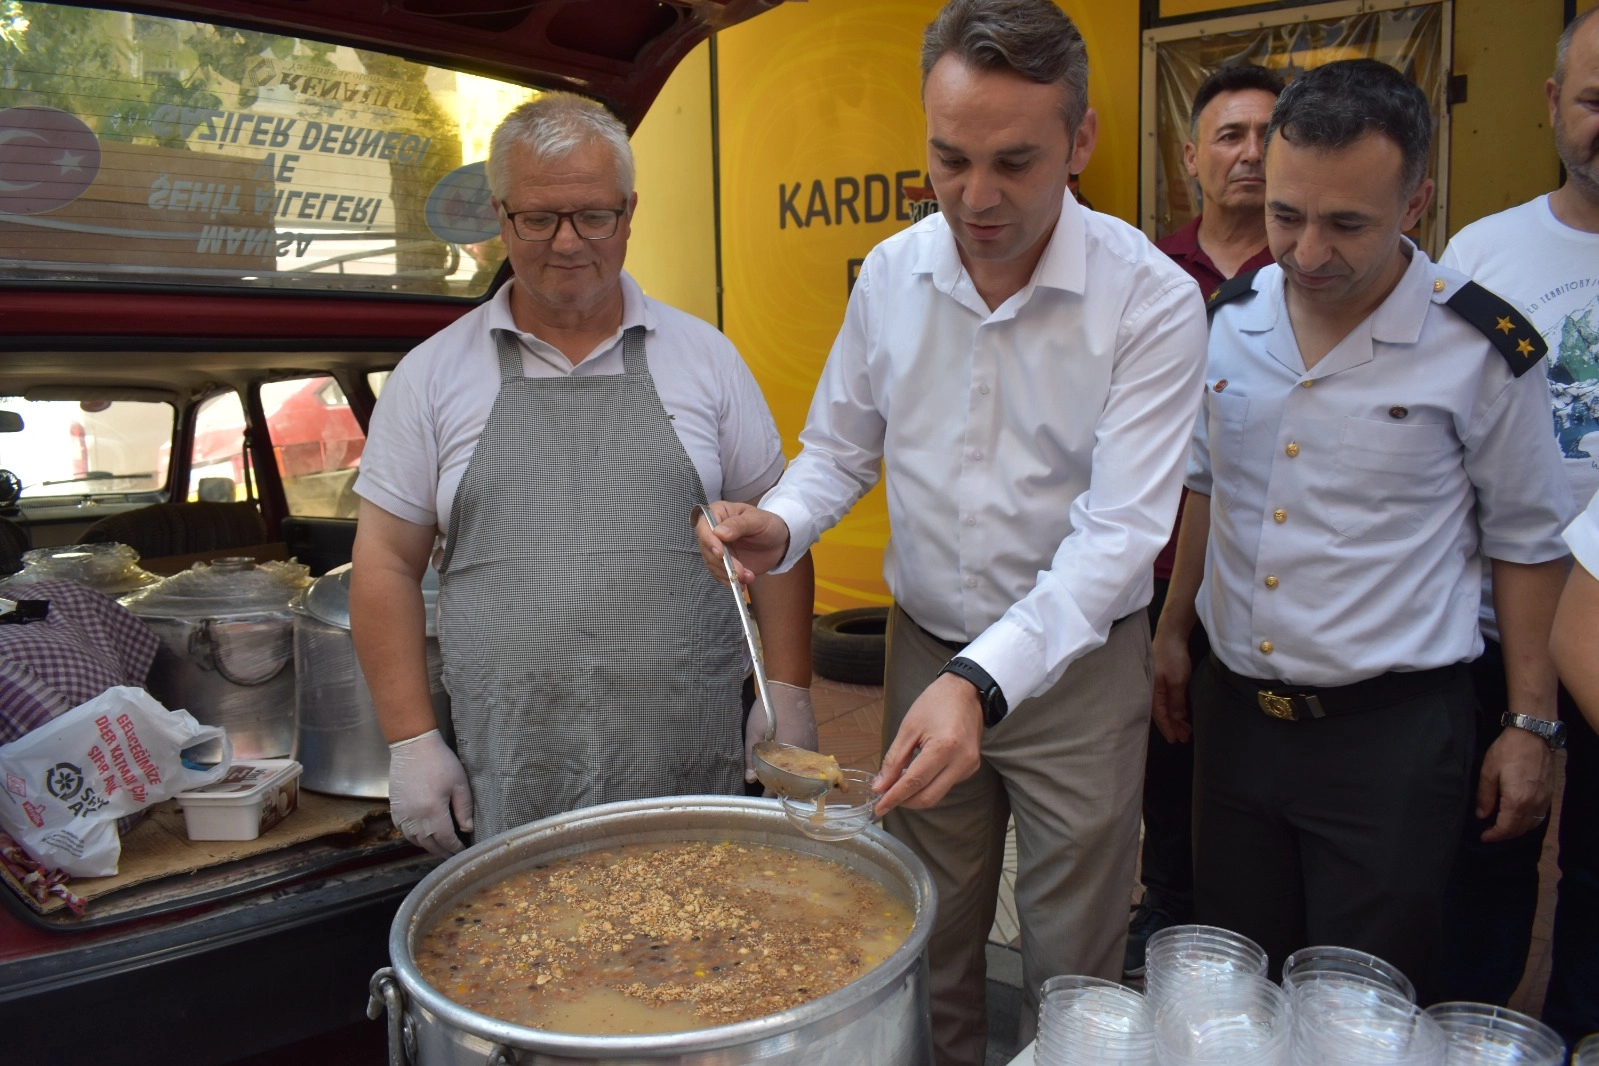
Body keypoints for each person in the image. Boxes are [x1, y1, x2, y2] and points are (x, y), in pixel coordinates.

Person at [697, 2, 1208, 1060]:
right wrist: (780, 522)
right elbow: (839, 449)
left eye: (1014, 162)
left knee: (1073, 956)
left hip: (1078, 673)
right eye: (949, 159)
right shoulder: (893, 273)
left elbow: (1119, 537)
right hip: (924, 648)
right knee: (924, 930)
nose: (976, 197)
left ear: (1080, 140)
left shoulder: (1150, 300)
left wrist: (980, 682)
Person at [1152, 58, 1572, 1004]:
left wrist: (1527, 725)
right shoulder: (1230, 321)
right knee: (1236, 983)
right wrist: (1174, 633)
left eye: (1346, 224)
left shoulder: (1476, 348)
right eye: (1286, 215)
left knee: (1364, 1001)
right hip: (1236, 720)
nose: (1307, 252)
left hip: (1388, 739)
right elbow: (1206, 486)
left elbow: (1525, 545)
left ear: (1415, 202)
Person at [347, 93, 816, 856]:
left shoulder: (706, 360)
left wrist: (787, 693)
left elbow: (778, 533)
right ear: (500, 218)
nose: (567, 243)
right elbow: (384, 564)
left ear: (629, 213)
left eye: (593, 216)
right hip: (515, 768)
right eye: (538, 218)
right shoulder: (430, 377)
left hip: (689, 758)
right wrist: (412, 741)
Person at [1440, 7, 1599, 1038]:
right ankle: (1477, 1031)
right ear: (1550, 103)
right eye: (1594, 99)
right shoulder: (1483, 255)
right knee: (1491, 855)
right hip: (1508, 625)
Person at [1129, 61, 1283, 979]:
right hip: (1152, 569)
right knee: (1165, 753)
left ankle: (1242, 930)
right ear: (1190, 156)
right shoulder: (1145, 272)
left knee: (1250, 771)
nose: (1250, 153)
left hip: (1266, 580)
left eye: (1269, 135)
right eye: (1230, 135)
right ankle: (1167, 905)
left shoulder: (1313, 268)